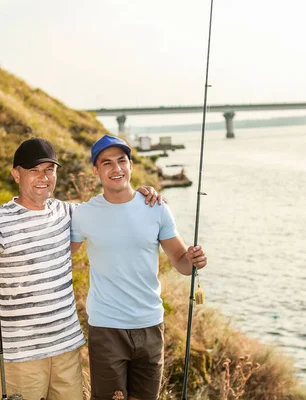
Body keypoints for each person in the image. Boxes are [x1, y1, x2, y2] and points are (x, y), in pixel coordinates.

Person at [0, 137, 162, 400]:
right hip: (19, 355)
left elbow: (111, 207)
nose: (43, 177)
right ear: (16, 174)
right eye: (34, 170)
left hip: (66, 349)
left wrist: (141, 194)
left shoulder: (69, 213)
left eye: (49, 170)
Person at [70, 135, 208, 400]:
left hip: (150, 324)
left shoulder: (156, 208)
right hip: (106, 327)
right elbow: (60, 255)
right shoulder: (84, 213)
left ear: (131, 165)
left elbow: (181, 262)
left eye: (122, 161)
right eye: (107, 163)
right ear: (96, 171)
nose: (116, 168)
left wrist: (195, 260)